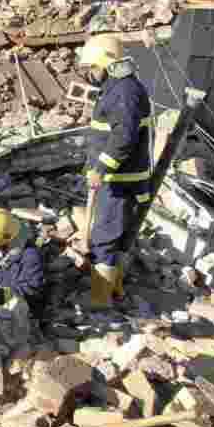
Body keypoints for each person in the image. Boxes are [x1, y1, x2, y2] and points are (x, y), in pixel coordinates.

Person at [80, 35, 153, 309]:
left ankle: (100, 302)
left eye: (92, 67)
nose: (89, 74)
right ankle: (116, 290)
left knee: (104, 239)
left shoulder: (124, 92)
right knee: (113, 237)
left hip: (119, 179)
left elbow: (123, 137)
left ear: (107, 64)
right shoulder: (117, 88)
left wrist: (101, 168)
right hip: (117, 177)